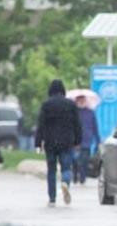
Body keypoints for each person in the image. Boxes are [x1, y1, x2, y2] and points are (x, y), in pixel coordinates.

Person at [34, 79, 82, 207]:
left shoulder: (46, 105)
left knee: (51, 170)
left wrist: (38, 143)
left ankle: (52, 199)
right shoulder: (71, 105)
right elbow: (77, 124)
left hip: (50, 142)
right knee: (66, 167)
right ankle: (65, 182)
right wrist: (78, 140)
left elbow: (41, 125)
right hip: (67, 141)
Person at [73, 95, 100, 184]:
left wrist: (97, 140)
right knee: (75, 159)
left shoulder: (90, 112)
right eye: (79, 100)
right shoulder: (73, 112)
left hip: (87, 139)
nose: (81, 102)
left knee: (84, 160)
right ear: (76, 101)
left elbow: (95, 127)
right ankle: (75, 174)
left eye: (83, 100)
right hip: (75, 140)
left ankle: (82, 177)